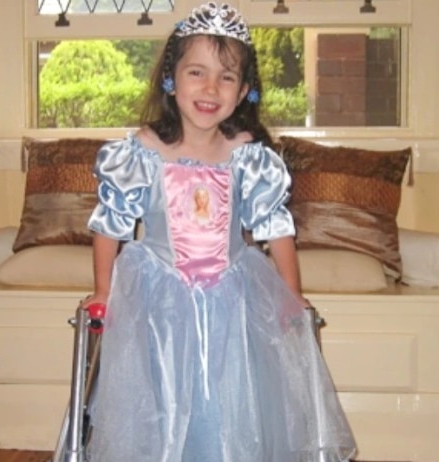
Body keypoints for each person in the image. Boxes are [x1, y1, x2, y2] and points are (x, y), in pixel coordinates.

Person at [84, 3, 357, 461]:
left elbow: (275, 228)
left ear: (244, 90)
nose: (211, 88)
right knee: (163, 404)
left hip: (233, 300)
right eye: (197, 72)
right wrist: (102, 292)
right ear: (171, 79)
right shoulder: (143, 151)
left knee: (232, 407)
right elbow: (110, 224)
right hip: (158, 305)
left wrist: (291, 295)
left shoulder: (247, 155)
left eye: (227, 77)